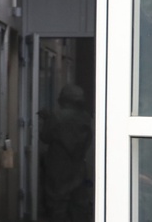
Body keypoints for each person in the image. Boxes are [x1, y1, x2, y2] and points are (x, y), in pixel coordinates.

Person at [39, 84, 93, 222]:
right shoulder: (86, 118)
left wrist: (46, 120)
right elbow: (88, 140)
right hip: (78, 166)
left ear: (64, 100)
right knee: (78, 203)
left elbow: (45, 137)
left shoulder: (57, 116)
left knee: (57, 204)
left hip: (58, 167)